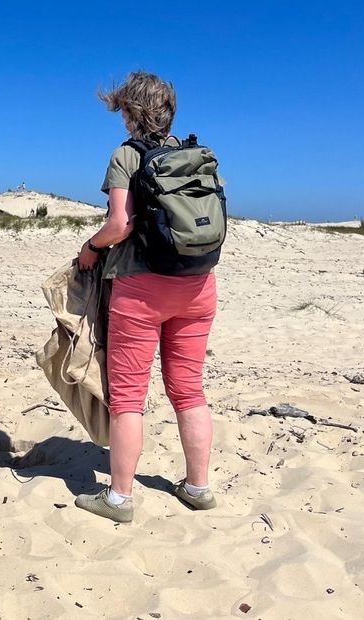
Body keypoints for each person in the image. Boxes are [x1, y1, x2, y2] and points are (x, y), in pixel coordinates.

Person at [74, 72, 221, 522]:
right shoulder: (197, 155)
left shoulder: (127, 155)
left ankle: (118, 498)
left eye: (121, 109)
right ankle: (198, 487)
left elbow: (121, 224)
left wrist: (91, 248)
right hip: (198, 285)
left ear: (131, 112)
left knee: (129, 397)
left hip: (141, 288)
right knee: (189, 389)